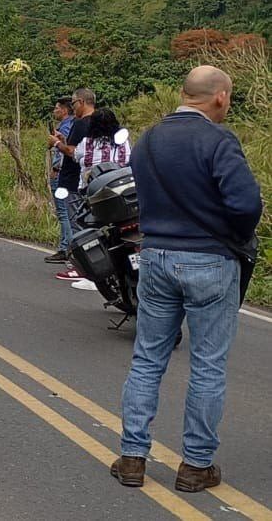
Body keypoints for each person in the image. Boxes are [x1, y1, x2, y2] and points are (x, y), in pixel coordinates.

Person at [112, 66, 263, 494]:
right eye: (229, 98)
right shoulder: (218, 140)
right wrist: (233, 234)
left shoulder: (148, 140)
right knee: (208, 366)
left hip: (156, 257)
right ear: (219, 97)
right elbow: (246, 202)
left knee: (147, 359)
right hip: (210, 262)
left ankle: (132, 458)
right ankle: (196, 466)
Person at [50, 87, 97, 280]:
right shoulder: (99, 122)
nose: (73, 107)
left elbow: (73, 151)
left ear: (82, 102)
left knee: (74, 220)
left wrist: (57, 144)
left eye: (74, 103)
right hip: (90, 179)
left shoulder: (80, 123)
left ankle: (78, 265)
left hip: (72, 179)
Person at [45, 97, 76, 264]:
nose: (54, 111)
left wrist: (56, 168)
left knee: (64, 213)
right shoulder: (74, 124)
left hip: (61, 174)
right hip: (69, 174)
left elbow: (62, 152)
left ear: (64, 110)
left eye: (57, 108)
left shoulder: (65, 126)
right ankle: (67, 247)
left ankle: (66, 248)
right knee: (68, 212)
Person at [76, 107, 131, 188]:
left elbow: (76, 157)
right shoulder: (123, 142)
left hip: (91, 188)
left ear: (92, 125)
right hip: (120, 186)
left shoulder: (86, 142)